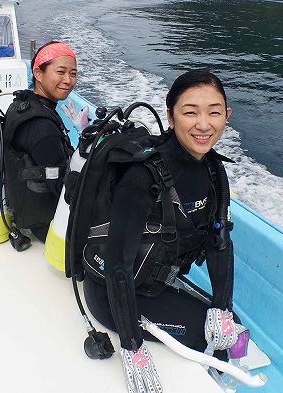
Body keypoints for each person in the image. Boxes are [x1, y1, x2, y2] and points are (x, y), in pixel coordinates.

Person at [82, 70, 241, 368]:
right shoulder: (143, 177)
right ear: (170, 117)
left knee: (230, 328)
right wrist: (132, 346)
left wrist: (222, 306)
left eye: (214, 112)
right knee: (213, 343)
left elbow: (219, 241)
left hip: (156, 281)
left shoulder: (212, 170)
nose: (204, 125)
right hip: (110, 294)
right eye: (190, 112)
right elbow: (118, 266)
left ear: (227, 115)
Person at [2, 41, 80, 245]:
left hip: (25, 207)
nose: (68, 80)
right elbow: (65, 190)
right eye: (60, 72)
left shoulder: (21, 105)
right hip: (48, 222)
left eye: (73, 74)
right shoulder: (42, 128)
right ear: (38, 73)